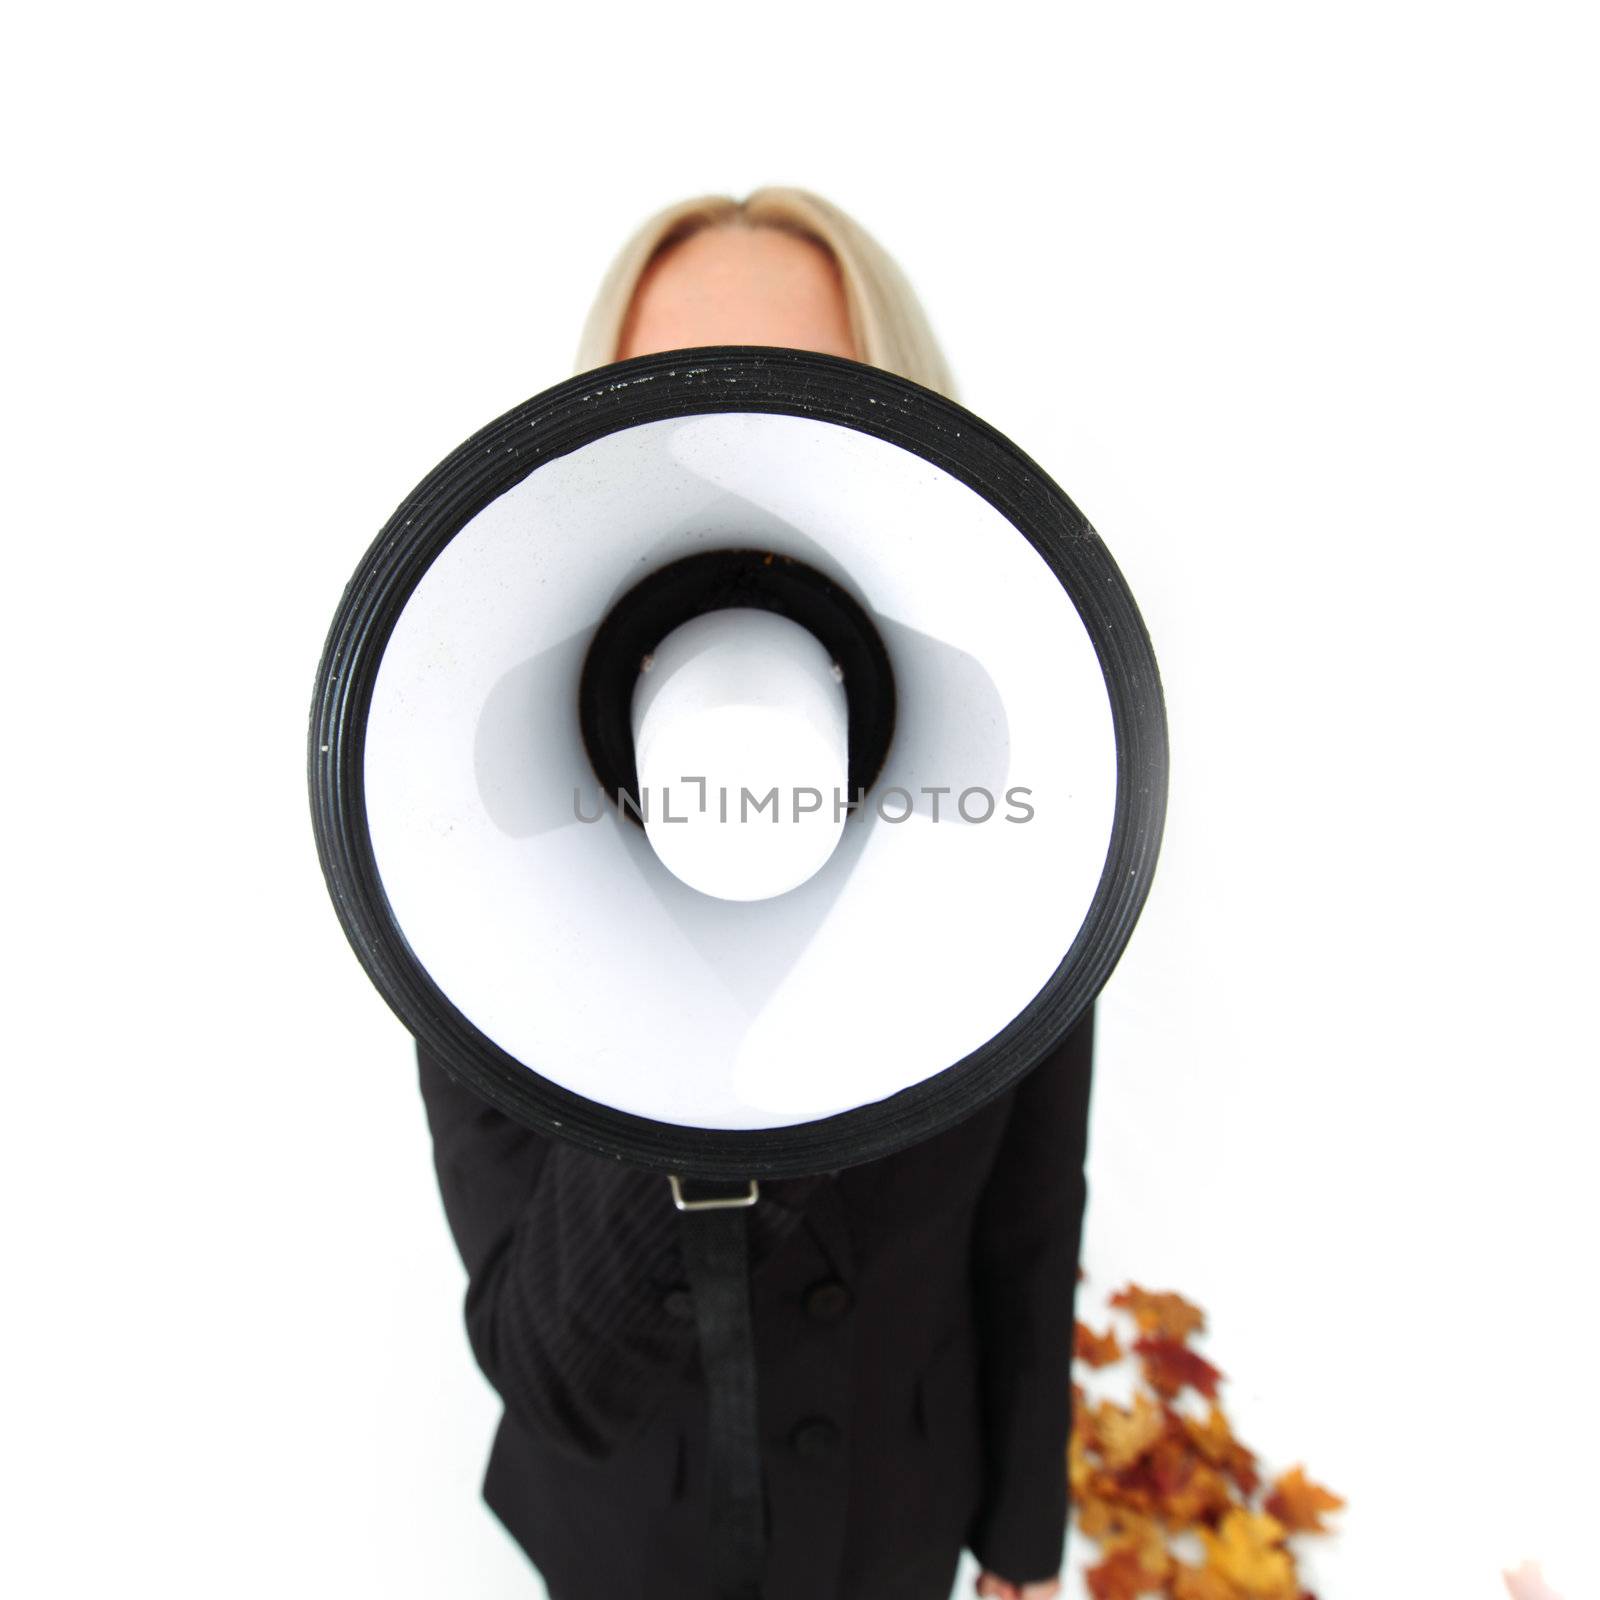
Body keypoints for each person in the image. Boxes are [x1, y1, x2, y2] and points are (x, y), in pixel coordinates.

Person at [416, 186, 1094, 1600]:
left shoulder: (1027, 804)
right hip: (631, 1540)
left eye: (805, 394)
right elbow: (553, 1376)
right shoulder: (470, 855)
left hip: (903, 1513)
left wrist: (1026, 1536)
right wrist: (675, 1013)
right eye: (671, 399)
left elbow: (1031, 1209)